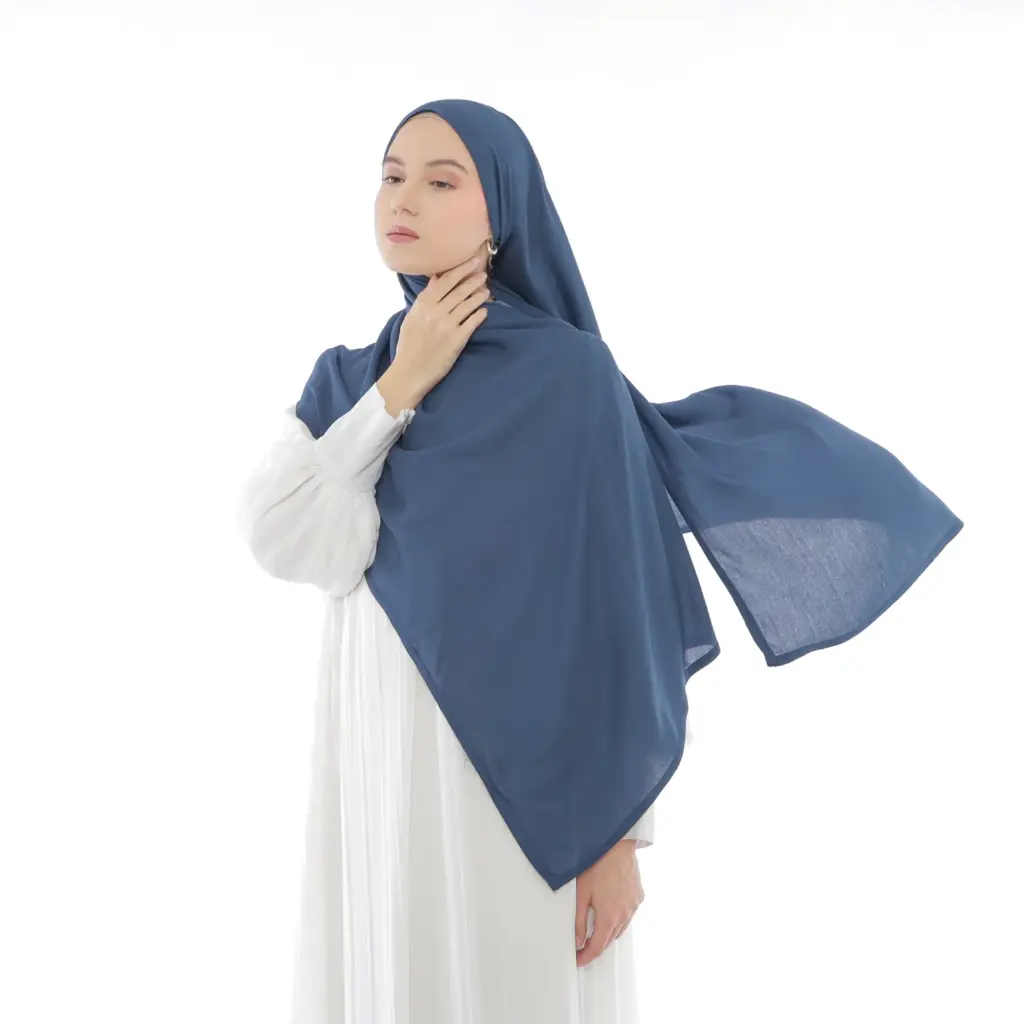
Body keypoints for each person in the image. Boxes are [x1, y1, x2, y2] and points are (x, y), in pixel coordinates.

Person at [237, 99, 962, 1023]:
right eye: (390, 176)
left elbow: (622, 601)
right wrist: (399, 386)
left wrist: (619, 835)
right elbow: (293, 542)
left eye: (442, 180)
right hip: (381, 757)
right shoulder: (347, 378)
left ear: (501, 216)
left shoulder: (567, 378)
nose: (403, 199)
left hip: (523, 790)